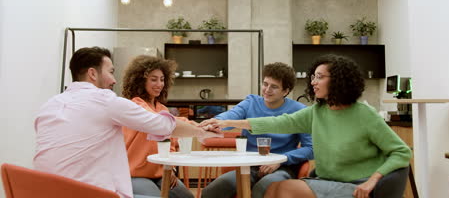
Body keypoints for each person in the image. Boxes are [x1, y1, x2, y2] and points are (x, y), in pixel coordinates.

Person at [201, 54, 412, 198]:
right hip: (323, 180)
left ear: (339, 80)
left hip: (356, 185)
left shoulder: (364, 114)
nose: (313, 82)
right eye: (313, 77)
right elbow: (278, 122)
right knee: (274, 190)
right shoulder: (317, 111)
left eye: (319, 77)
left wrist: (374, 179)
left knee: (281, 189)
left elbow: (401, 151)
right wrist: (227, 122)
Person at [34, 47, 220, 198]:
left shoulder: (49, 106)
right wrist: (203, 131)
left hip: (44, 190)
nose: (114, 80)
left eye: (162, 79)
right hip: (98, 189)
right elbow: (163, 125)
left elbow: (168, 124)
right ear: (92, 73)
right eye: (111, 72)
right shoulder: (107, 101)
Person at [200, 62, 314, 198]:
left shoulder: (300, 111)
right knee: (212, 191)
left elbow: (311, 148)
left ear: (286, 91)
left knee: (263, 188)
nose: (267, 90)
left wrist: (282, 160)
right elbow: (230, 116)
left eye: (274, 87)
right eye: (265, 84)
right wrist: (217, 122)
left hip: (281, 166)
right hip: (249, 165)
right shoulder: (251, 102)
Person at [121, 55, 193, 198]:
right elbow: (157, 120)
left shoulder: (162, 108)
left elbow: (170, 142)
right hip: (134, 174)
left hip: (160, 173)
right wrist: (196, 127)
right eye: (153, 79)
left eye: (162, 79)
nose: (159, 84)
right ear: (140, 81)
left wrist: (170, 168)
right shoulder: (135, 105)